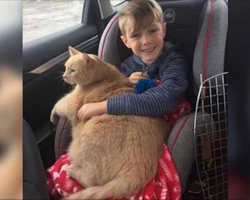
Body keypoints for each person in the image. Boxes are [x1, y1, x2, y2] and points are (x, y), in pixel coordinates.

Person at [78, 0, 189, 122]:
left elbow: (166, 98)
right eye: (136, 35)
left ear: (163, 30)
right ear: (126, 41)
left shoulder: (174, 61)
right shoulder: (126, 67)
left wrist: (106, 106)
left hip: (168, 123)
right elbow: (112, 88)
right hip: (133, 122)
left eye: (152, 31)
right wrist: (126, 82)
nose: (146, 40)